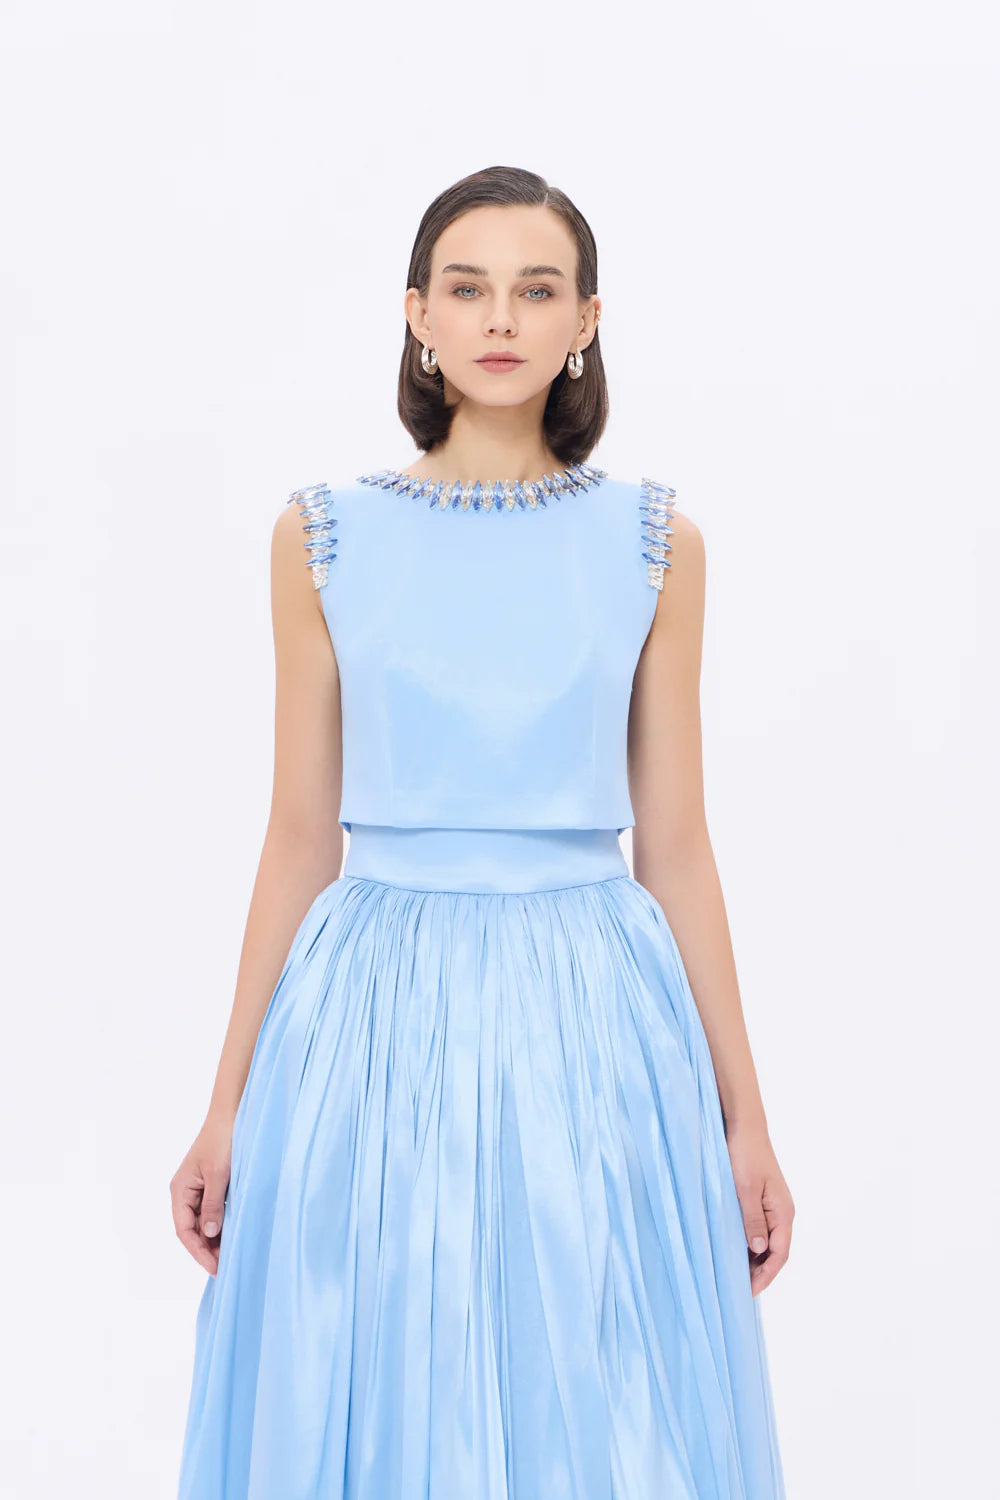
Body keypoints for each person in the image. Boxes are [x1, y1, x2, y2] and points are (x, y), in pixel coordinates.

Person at [170, 163, 793, 1499]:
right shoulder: (322, 536)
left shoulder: (656, 541)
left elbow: (678, 843)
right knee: (377, 1368)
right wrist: (225, 1106)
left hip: (595, 1010)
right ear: (417, 315)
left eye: (537, 288)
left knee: (596, 1388)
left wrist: (746, 1117)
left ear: (586, 322)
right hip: (371, 1013)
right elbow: (298, 835)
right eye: (467, 287)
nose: (500, 317)